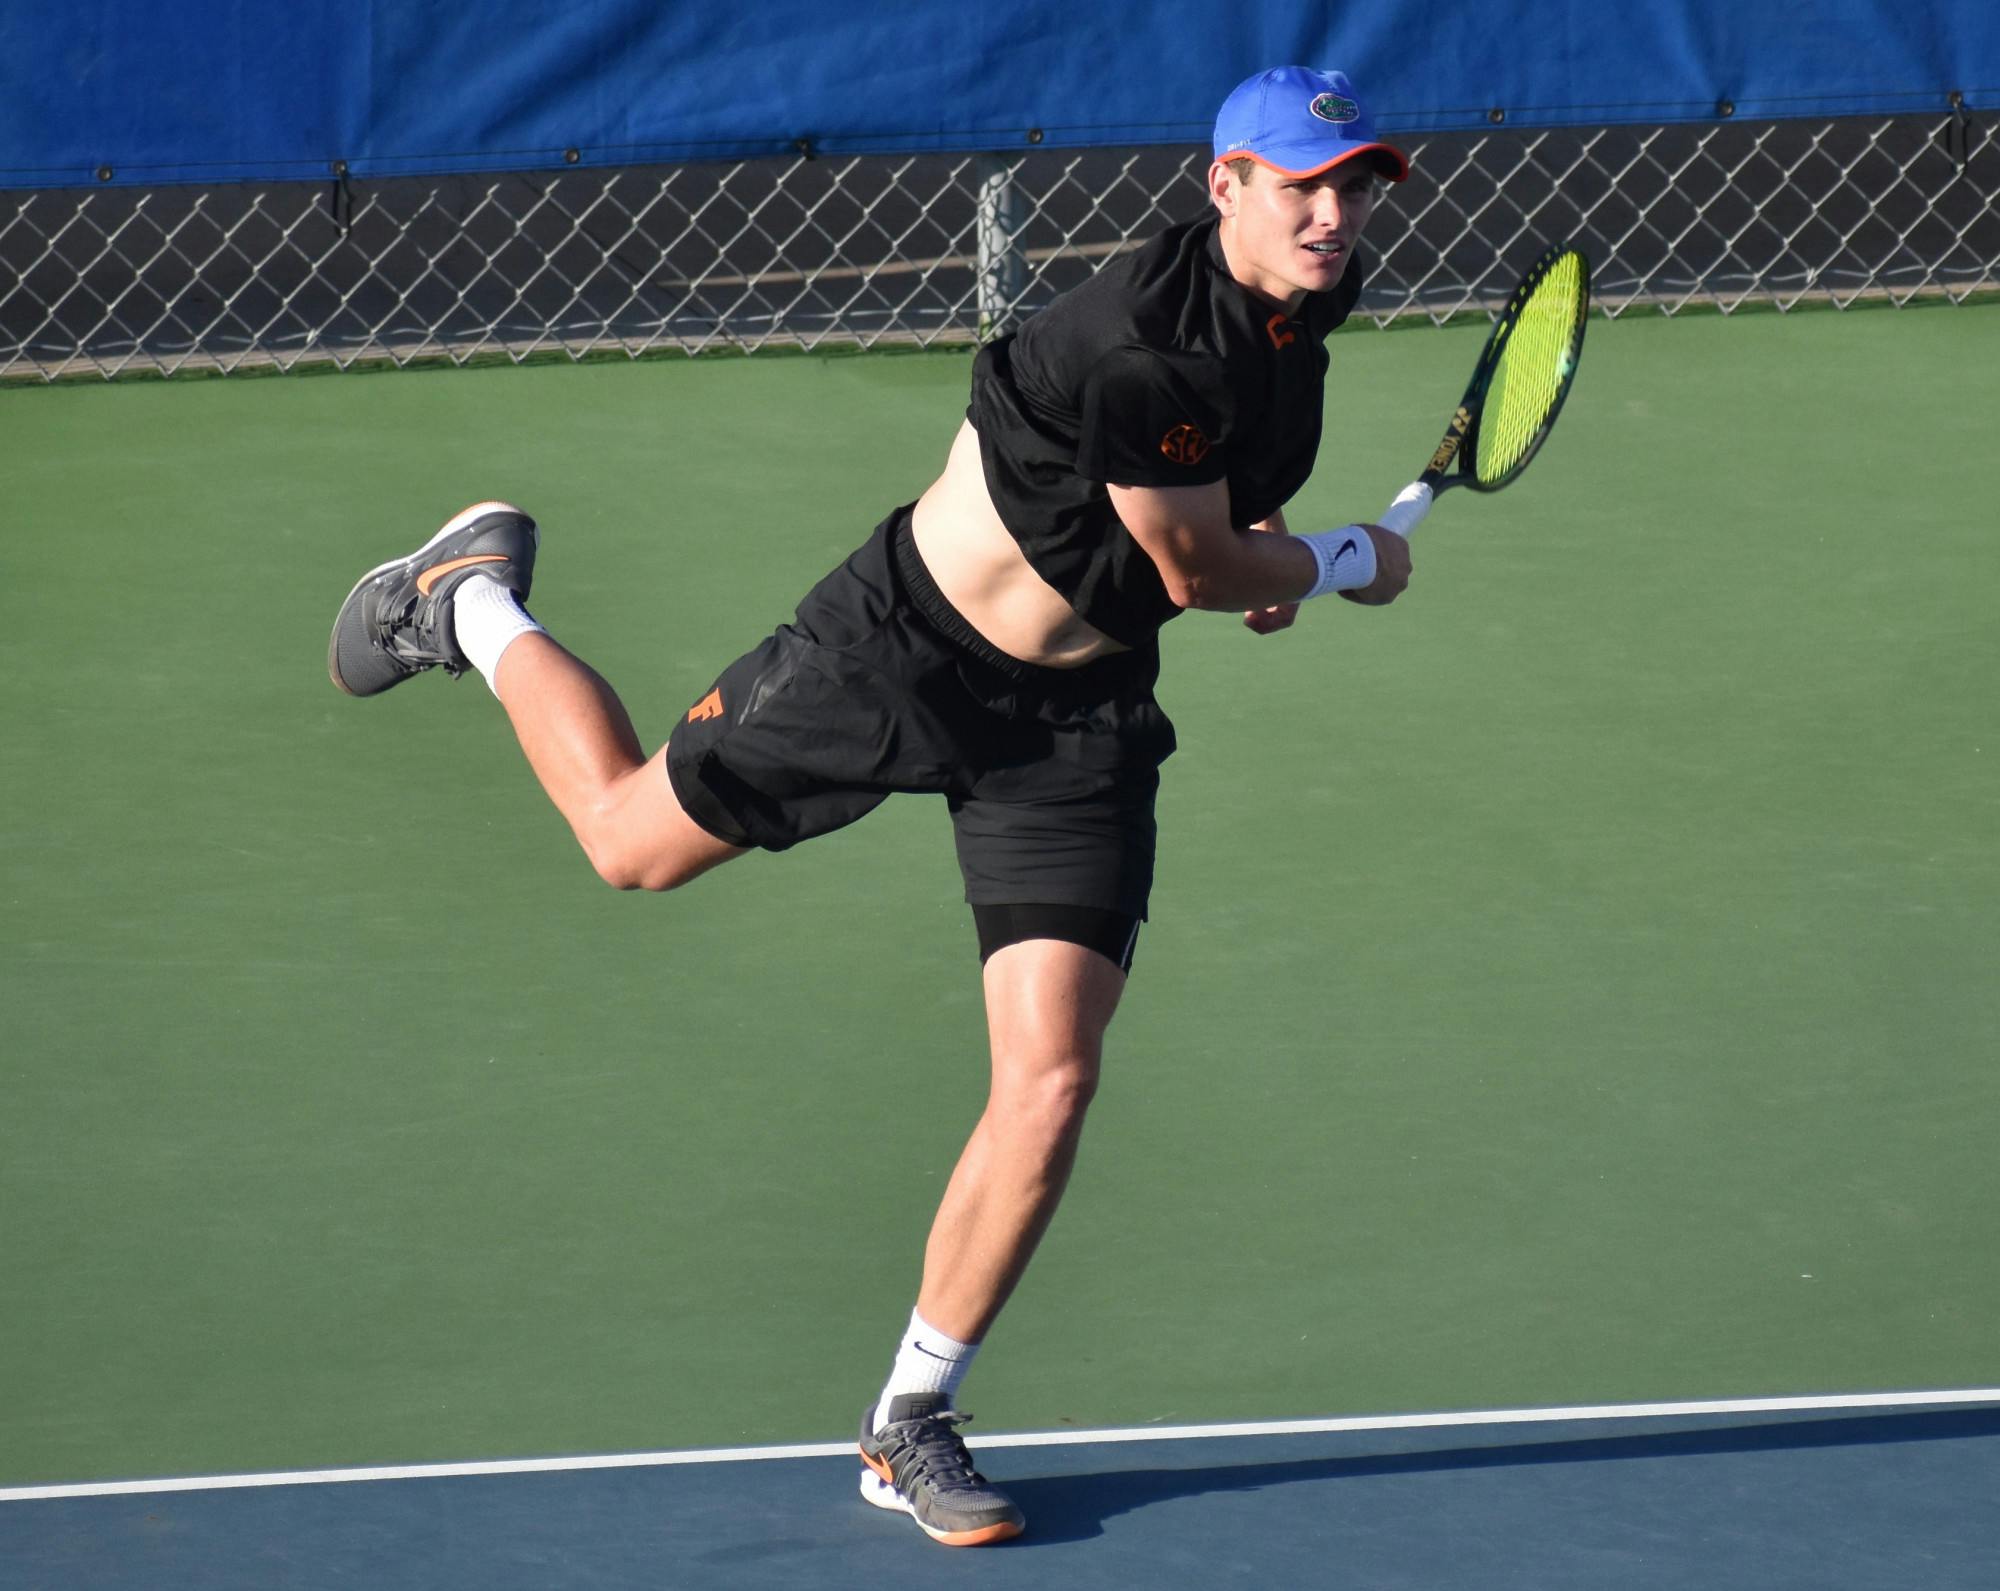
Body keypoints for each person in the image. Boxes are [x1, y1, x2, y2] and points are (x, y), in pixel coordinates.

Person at [328, 64, 1412, 1548]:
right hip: (900, 653)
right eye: (1303, 187)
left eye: (1353, 186)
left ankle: (911, 1417)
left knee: (1053, 1081)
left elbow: (1229, 510)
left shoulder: (1300, 307)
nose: (1336, 214)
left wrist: (1273, 541)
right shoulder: (1140, 346)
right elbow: (1197, 569)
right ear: (1223, 183)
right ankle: (467, 607)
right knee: (625, 846)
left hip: (1073, 723)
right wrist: (1339, 564)